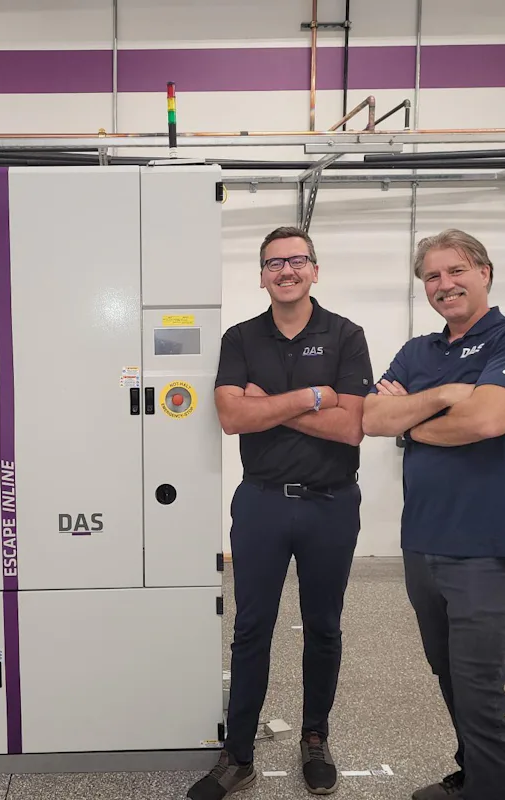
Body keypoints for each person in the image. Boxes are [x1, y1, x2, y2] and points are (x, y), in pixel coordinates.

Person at [362, 229, 505, 800]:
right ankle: (472, 776)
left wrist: (413, 422)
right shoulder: (418, 352)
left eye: (455, 271)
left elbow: (487, 421)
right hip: (422, 541)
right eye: (431, 276)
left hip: (488, 546)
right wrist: (447, 392)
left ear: (485, 273)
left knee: (480, 689)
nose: (443, 285)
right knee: (449, 675)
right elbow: (373, 419)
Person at [188, 226, 373, 799]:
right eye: (274, 263)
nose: (285, 271)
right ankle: (237, 753)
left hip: (331, 504)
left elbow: (350, 425)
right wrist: (313, 396)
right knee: (251, 629)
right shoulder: (241, 337)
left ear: (315, 269)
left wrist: (264, 405)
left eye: (297, 261)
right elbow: (230, 419)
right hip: (263, 501)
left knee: (322, 628)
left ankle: (314, 737)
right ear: (262, 274)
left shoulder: (346, 335)